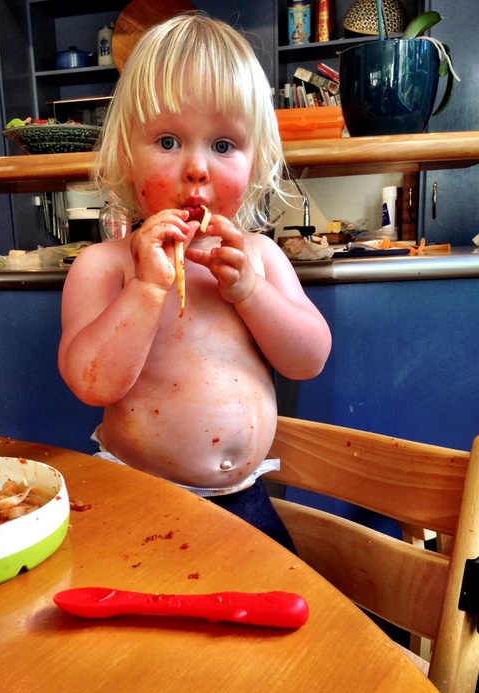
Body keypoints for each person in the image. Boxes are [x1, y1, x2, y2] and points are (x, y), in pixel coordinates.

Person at [58, 13, 331, 552]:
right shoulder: (105, 266)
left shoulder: (260, 256)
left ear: (256, 163)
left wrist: (250, 291)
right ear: (126, 157)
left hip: (246, 501)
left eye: (224, 145)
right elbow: (92, 384)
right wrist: (145, 289)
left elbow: (309, 359)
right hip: (138, 499)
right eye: (167, 140)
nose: (197, 168)